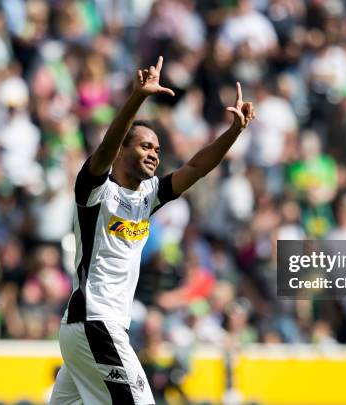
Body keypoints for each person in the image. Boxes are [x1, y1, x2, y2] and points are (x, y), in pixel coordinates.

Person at [49, 56, 255, 405]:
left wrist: (233, 132)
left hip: (86, 329)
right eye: (145, 146)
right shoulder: (95, 191)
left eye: (158, 150)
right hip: (97, 321)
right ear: (121, 152)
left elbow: (195, 167)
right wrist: (138, 98)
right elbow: (105, 148)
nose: (154, 155)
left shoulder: (148, 196)